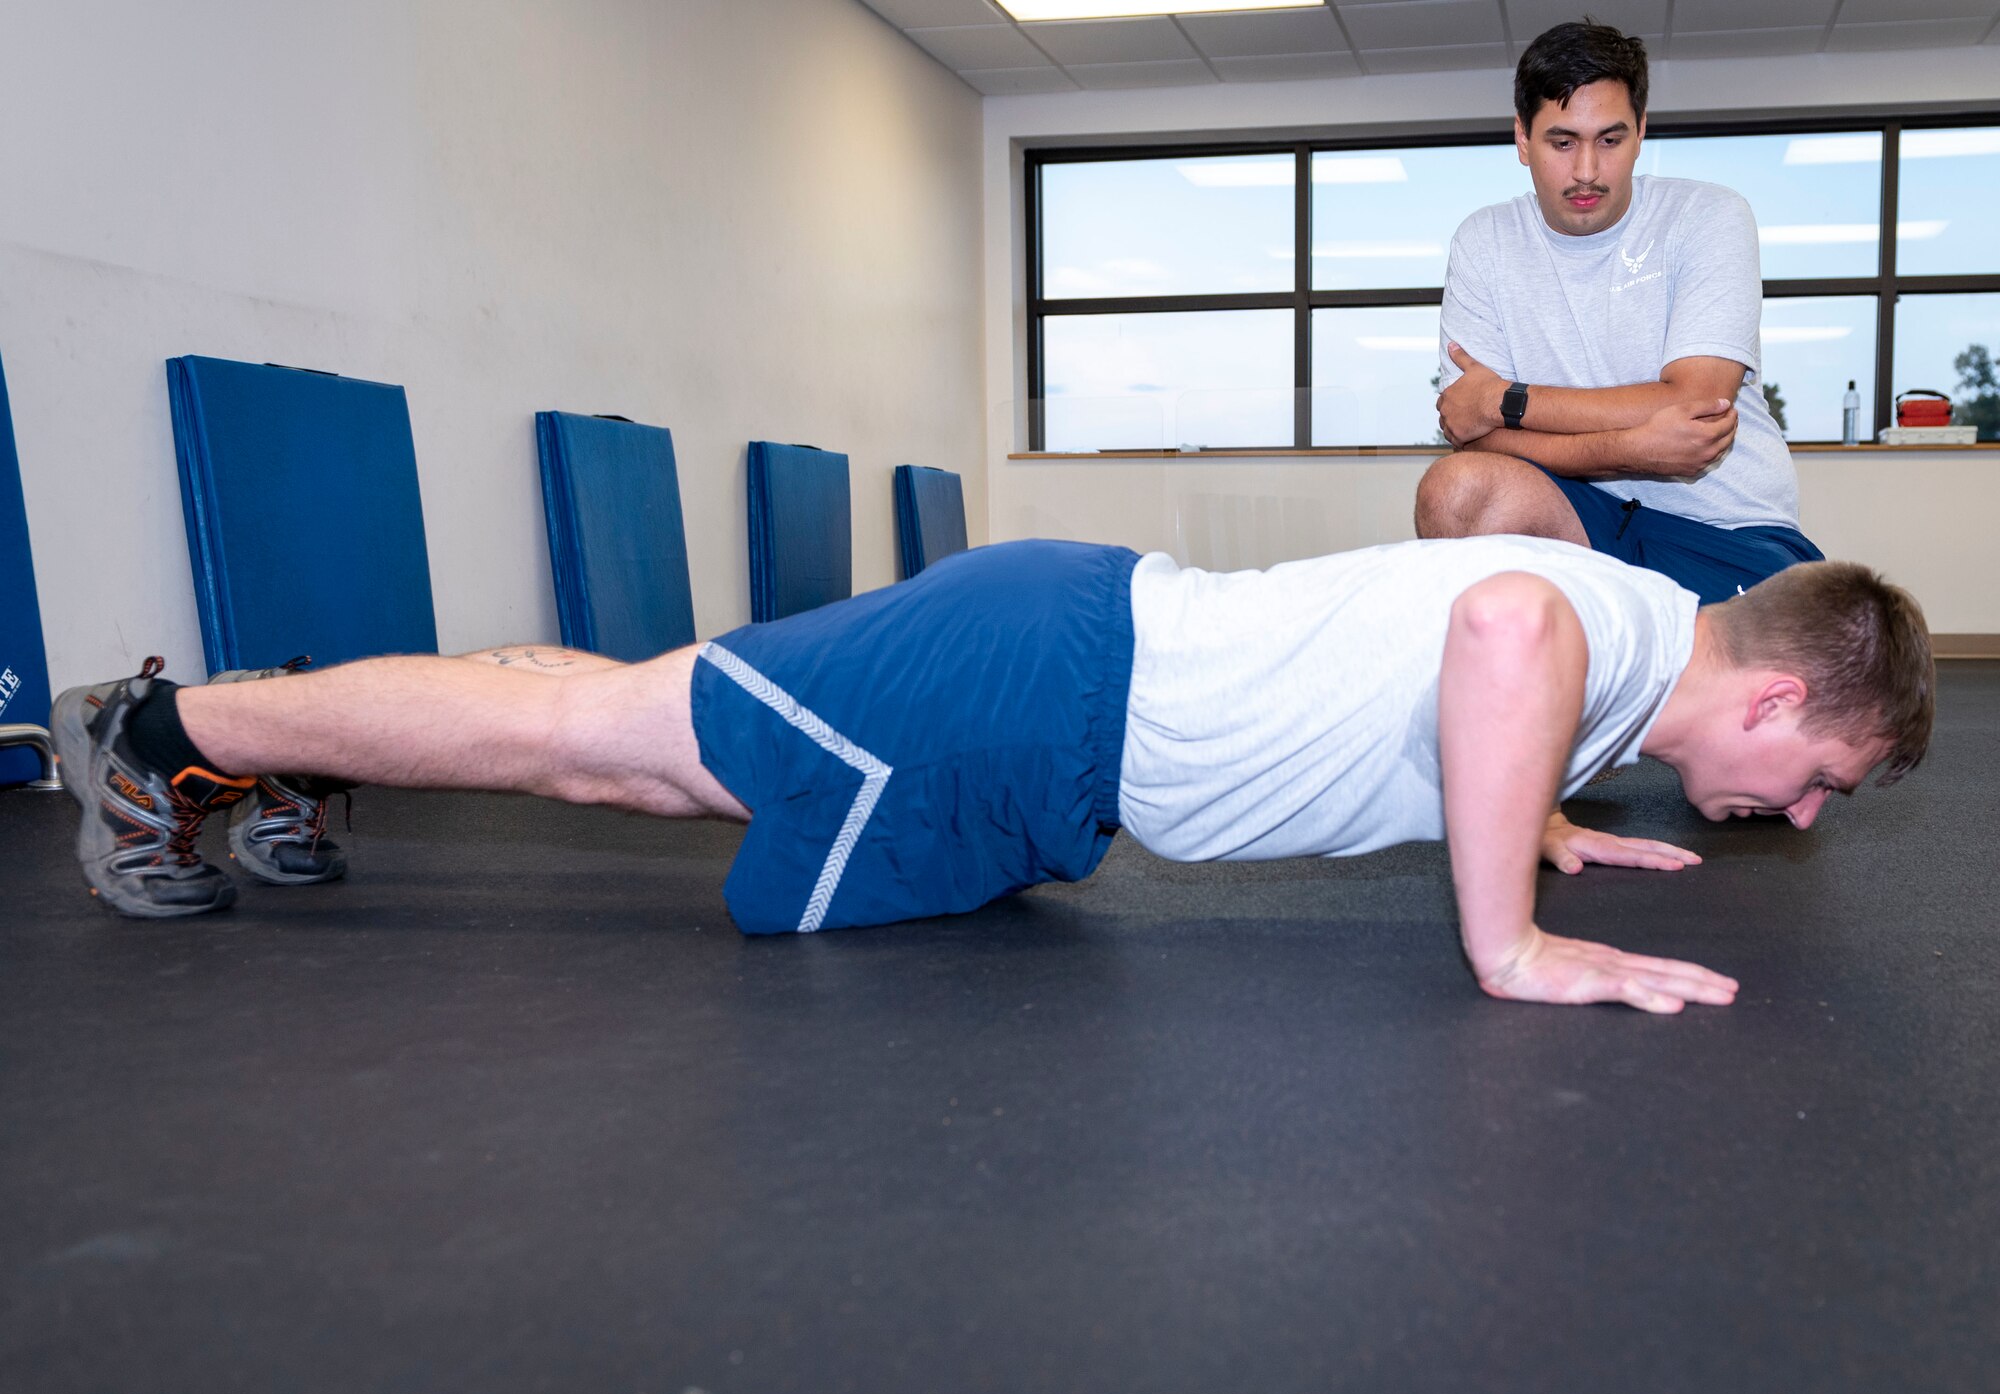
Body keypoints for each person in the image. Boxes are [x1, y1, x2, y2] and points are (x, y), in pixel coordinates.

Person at [54, 536, 1932, 1015]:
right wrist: (1510, 936)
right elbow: (1498, 623)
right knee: (598, 752)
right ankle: (167, 737)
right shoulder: (1591, 636)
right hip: (1032, 687)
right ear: (1776, 707)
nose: (1811, 812)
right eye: (1833, 774)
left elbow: (1481, 666)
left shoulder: (1633, 658)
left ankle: (278, 733)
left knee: (628, 734)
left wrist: (1538, 812)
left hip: (1052, 712)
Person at [1415, 19, 1824, 605]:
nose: (1586, 171)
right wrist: (1632, 448)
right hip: (1582, 520)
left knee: (1745, 681)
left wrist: (1506, 400)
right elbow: (1473, 437)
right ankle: (1532, 674)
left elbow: (1694, 406)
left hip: (1729, 528)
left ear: (1641, 132)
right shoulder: (1484, 242)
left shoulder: (1708, 217)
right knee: (1455, 491)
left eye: (1610, 140)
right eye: (1562, 142)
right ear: (1521, 140)